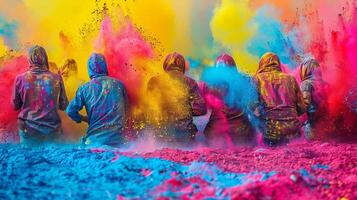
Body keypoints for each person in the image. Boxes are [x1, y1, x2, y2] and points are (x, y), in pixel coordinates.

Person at [66, 53, 129, 147]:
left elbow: (70, 111)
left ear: (89, 68)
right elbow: (127, 110)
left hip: (94, 141)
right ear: (105, 66)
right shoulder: (119, 85)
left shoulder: (84, 89)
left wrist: (84, 119)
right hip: (118, 140)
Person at [12, 45, 68, 145]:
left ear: (29, 59)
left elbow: (15, 106)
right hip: (52, 131)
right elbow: (64, 106)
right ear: (45, 58)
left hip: (28, 131)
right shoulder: (57, 78)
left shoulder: (20, 79)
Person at [147, 52, 207, 144]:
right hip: (185, 135)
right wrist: (184, 112)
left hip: (161, 135)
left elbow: (147, 108)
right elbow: (201, 109)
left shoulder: (154, 81)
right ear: (182, 66)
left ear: (166, 64)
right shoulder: (190, 82)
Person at [255, 52, 305, 146]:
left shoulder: (257, 79)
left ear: (261, 64)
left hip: (270, 133)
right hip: (293, 132)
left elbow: (252, 107)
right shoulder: (290, 78)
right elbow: (302, 108)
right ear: (278, 63)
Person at [204, 54, 255, 145]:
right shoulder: (243, 80)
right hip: (242, 132)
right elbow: (252, 104)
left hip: (216, 132)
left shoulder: (209, 83)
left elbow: (203, 108)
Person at [300, 58, 328, 140]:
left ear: (305, 69)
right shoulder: (326, 83)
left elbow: (306, 102)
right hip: (327, 122)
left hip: (313, 124)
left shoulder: (306, 83)